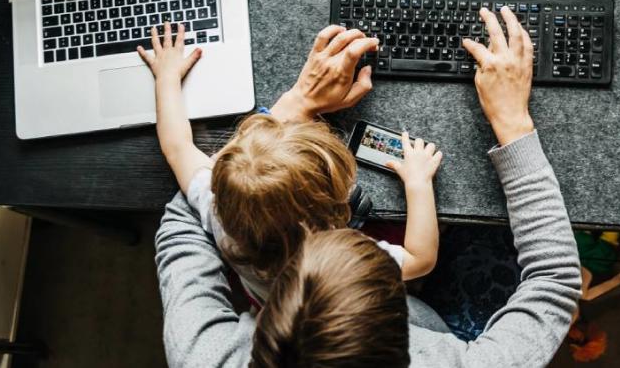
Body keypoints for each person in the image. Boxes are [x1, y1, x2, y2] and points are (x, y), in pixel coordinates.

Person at [155, 7, 583, 366]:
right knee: (486, 244)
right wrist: (512, 122)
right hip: (436, 312)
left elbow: (184, 220)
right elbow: (554, 281)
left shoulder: (202, 356)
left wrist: (293, 108)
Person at [139, 22, 442, 304]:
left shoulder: (218, 208)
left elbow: (177, 147)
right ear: (337, 210)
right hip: (333, 297)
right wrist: (418, 183)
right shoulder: (343, 259)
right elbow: (420, 259)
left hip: (268, 298)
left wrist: (166, 78)